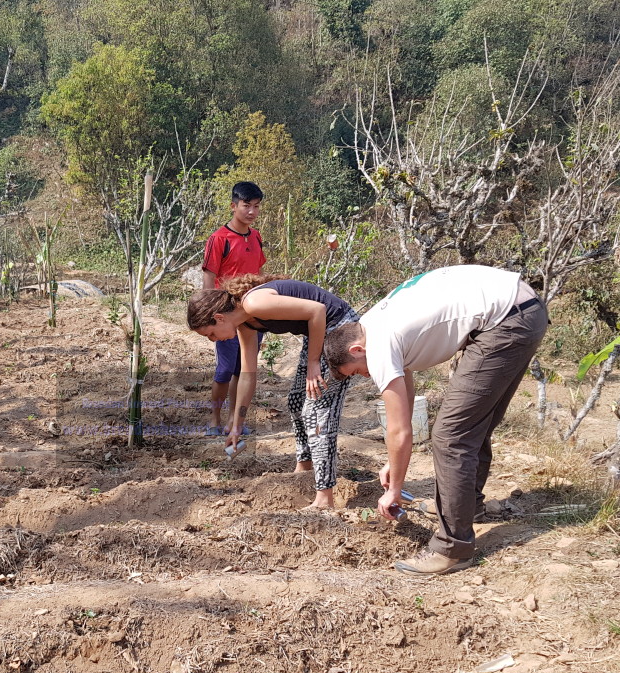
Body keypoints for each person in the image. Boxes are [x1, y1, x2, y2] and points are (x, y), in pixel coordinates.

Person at [325, 265, 548, 575]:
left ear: (357, 349)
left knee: (450, 435)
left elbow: (399, 429)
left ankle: (452, 548)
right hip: (522, 308)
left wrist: (394, 490)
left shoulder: (379, 343)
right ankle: (467, 507)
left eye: (358, 371)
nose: (366, 375)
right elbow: (403, 393)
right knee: (471, 424)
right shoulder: (374, 322)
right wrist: (395, 462)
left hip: (506, 320)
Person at [188, 275, 359, 510]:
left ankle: (324, 496)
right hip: (318, 332)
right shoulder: (246, 323)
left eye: (210, 334)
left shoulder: (254, 303)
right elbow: (248, 375)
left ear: (219, 318)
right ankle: (305, 467)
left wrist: (313, 363)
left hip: (341, 329)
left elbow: (318, 310)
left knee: (317, 410)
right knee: (297, 402)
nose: (213, 340)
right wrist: (237, 423)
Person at [200, 181, 267, 437]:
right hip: (226, 314)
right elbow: (209, 278)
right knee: (225, 369)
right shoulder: (219, 239)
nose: (251, 211)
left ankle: (233, 420)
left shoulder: (256, 236)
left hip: (251, 313)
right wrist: (210, 312)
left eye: (256, 206)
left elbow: (259, 273)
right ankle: (214, 420)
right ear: (233, 206)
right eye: (246, 206)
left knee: (243, 368)